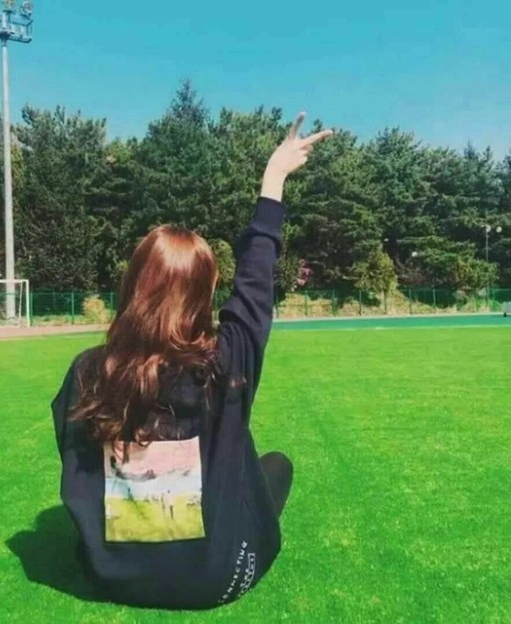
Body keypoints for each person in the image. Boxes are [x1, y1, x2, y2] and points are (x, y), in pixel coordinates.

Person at [51, 112, 332, 610]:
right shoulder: (224, 362)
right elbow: (255, 287)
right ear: (203, 295)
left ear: (133, 286)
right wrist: (274, 179)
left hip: (109, 577)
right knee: (275, 466)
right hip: (217, 579)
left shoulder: (87, 371)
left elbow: (78, 467)